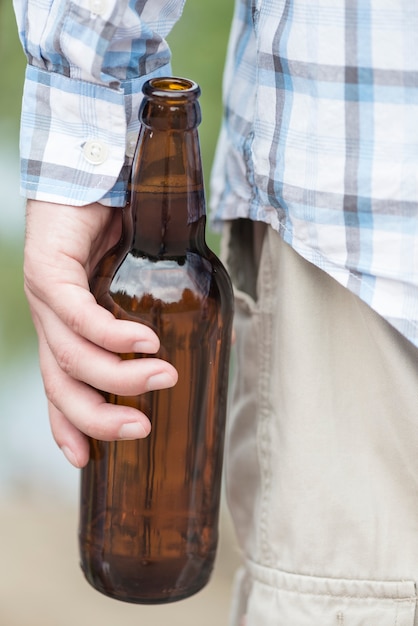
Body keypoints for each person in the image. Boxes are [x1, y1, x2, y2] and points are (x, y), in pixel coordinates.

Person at [13, 0, 418, 624]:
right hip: (358, 257)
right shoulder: (132, 275)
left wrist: (79, 119)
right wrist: (86, 150)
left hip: (358, 234)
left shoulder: (199, 283)